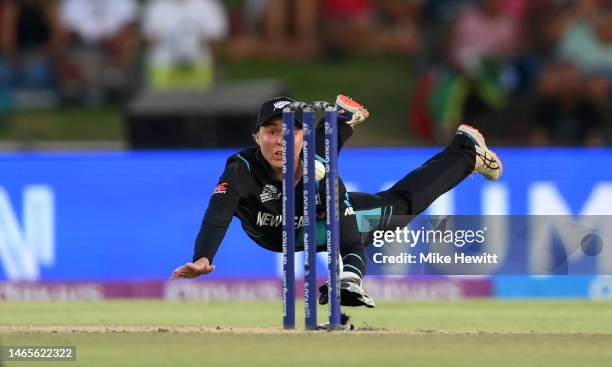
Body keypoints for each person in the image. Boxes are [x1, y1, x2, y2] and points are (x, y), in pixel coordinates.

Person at [171, 95, 502, 308]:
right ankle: (339, 121)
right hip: (278, 236)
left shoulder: (323, 175)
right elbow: (218, 214)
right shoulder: (241, 169)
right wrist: (203, 257)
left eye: (289, 132)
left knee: (398, 208)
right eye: (270, 132)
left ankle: (465, 152)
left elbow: (346, 231)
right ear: (256, 137)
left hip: (315, 222)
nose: (279, 140)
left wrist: (350, 278)